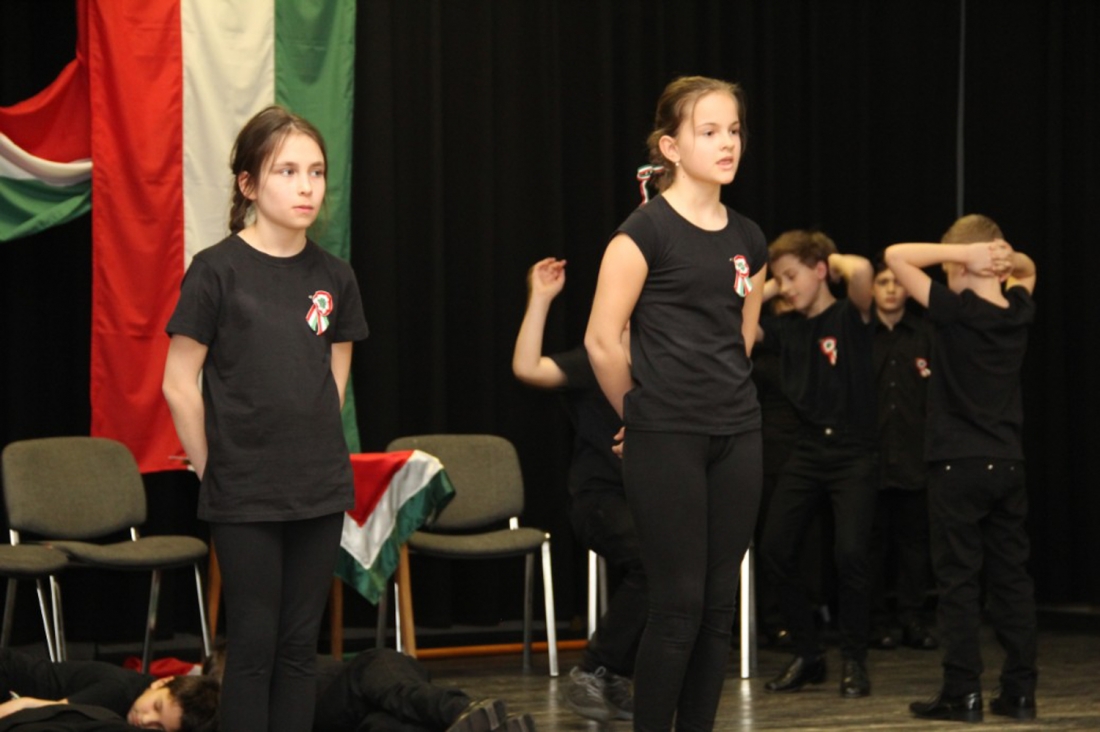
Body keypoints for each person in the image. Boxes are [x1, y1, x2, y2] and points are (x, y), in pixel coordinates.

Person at [162, 106, 370, 732]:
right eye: (287, 171)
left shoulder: (334, 276)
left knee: (299, 648)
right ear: (249, 184)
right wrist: (213, 467)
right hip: (244, 489)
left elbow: (334, 372)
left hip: (318, 486)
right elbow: (178, 382)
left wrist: (311, 439)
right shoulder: (216, 270)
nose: (306, 186)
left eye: (316, 172)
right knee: (253, 648)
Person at [585, 75, 767, 731]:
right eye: (709, 131)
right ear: (671, 146)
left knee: (718, 609)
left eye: (733, 130)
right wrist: (640, 414)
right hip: (667, 436)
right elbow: (602, 340)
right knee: (678, 606)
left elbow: (743, 337)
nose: (727, 143)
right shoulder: (643, 233)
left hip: (738, 434)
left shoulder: (749, 237)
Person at [885, 215, 1039, 723]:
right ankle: (1020, 693)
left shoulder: (954, 311)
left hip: (957, 463)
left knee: (958, 581)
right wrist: (1005, 257)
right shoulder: (1018, 309)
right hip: (1008, 462)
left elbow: (895, 256)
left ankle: (962, 692)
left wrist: (964, 255)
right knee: (1012, 579)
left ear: (963, 265)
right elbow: (1028, 269)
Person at [511, 257, 640, 722]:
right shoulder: (595, 361)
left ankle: (614, 673)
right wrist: (541, 298)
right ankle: (595, 668)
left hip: (650, 496)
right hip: (599, 499)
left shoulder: (665, 365)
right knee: (653, 559)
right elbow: (527, 367)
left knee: (678, 564)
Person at [756, 230, 877, 698]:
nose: (786, 288)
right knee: (774, 548)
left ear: (821, 271)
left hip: (854, 452)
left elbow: (861, 271)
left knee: (850, 555)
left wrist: (828, 258)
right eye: (780, 280)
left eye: (793, 277)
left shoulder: (850, 315)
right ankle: (808, 653)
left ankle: (854, 659)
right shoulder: (785, 328)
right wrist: (773, 281)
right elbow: (738, 319)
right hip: (806, 451)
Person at [205, 646, 534, 732]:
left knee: (395, 699)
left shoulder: (291, 665)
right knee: (387, 723)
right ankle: (481, 721)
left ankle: (465, 713)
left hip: (375, 680)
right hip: (354, 717)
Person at [866, 258, 937, 652]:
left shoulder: (926, 335)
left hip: (915, 455)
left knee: (915, 545)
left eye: (897, 282)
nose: (891, 288)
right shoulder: (861, 335)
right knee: (871, 546)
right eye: (883, 281)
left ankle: (912, 617)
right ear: (871, 288)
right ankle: (876, 621)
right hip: (870, 458)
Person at [0, 648, 219, 732]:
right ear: (161, 682)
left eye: (159, 727)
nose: (146, 720)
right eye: (156, 706)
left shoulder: (137, 699)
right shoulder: (116, 692)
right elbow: (30, 709)